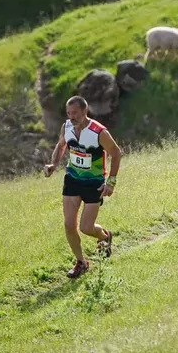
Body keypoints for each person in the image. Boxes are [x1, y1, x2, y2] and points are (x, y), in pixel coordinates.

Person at [44, 96, 122, 279]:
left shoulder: (98, 132)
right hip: (72, 179)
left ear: (85, 111)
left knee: (86, 227)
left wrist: (111, 182)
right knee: (69, 225)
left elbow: (116, 153)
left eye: (75, 113)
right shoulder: (67, 126)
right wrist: (53, 164)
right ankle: (81, 262)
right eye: (68, 113)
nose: (71, 117)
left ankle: (104, 236)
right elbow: (61, 145)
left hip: (93, 182)